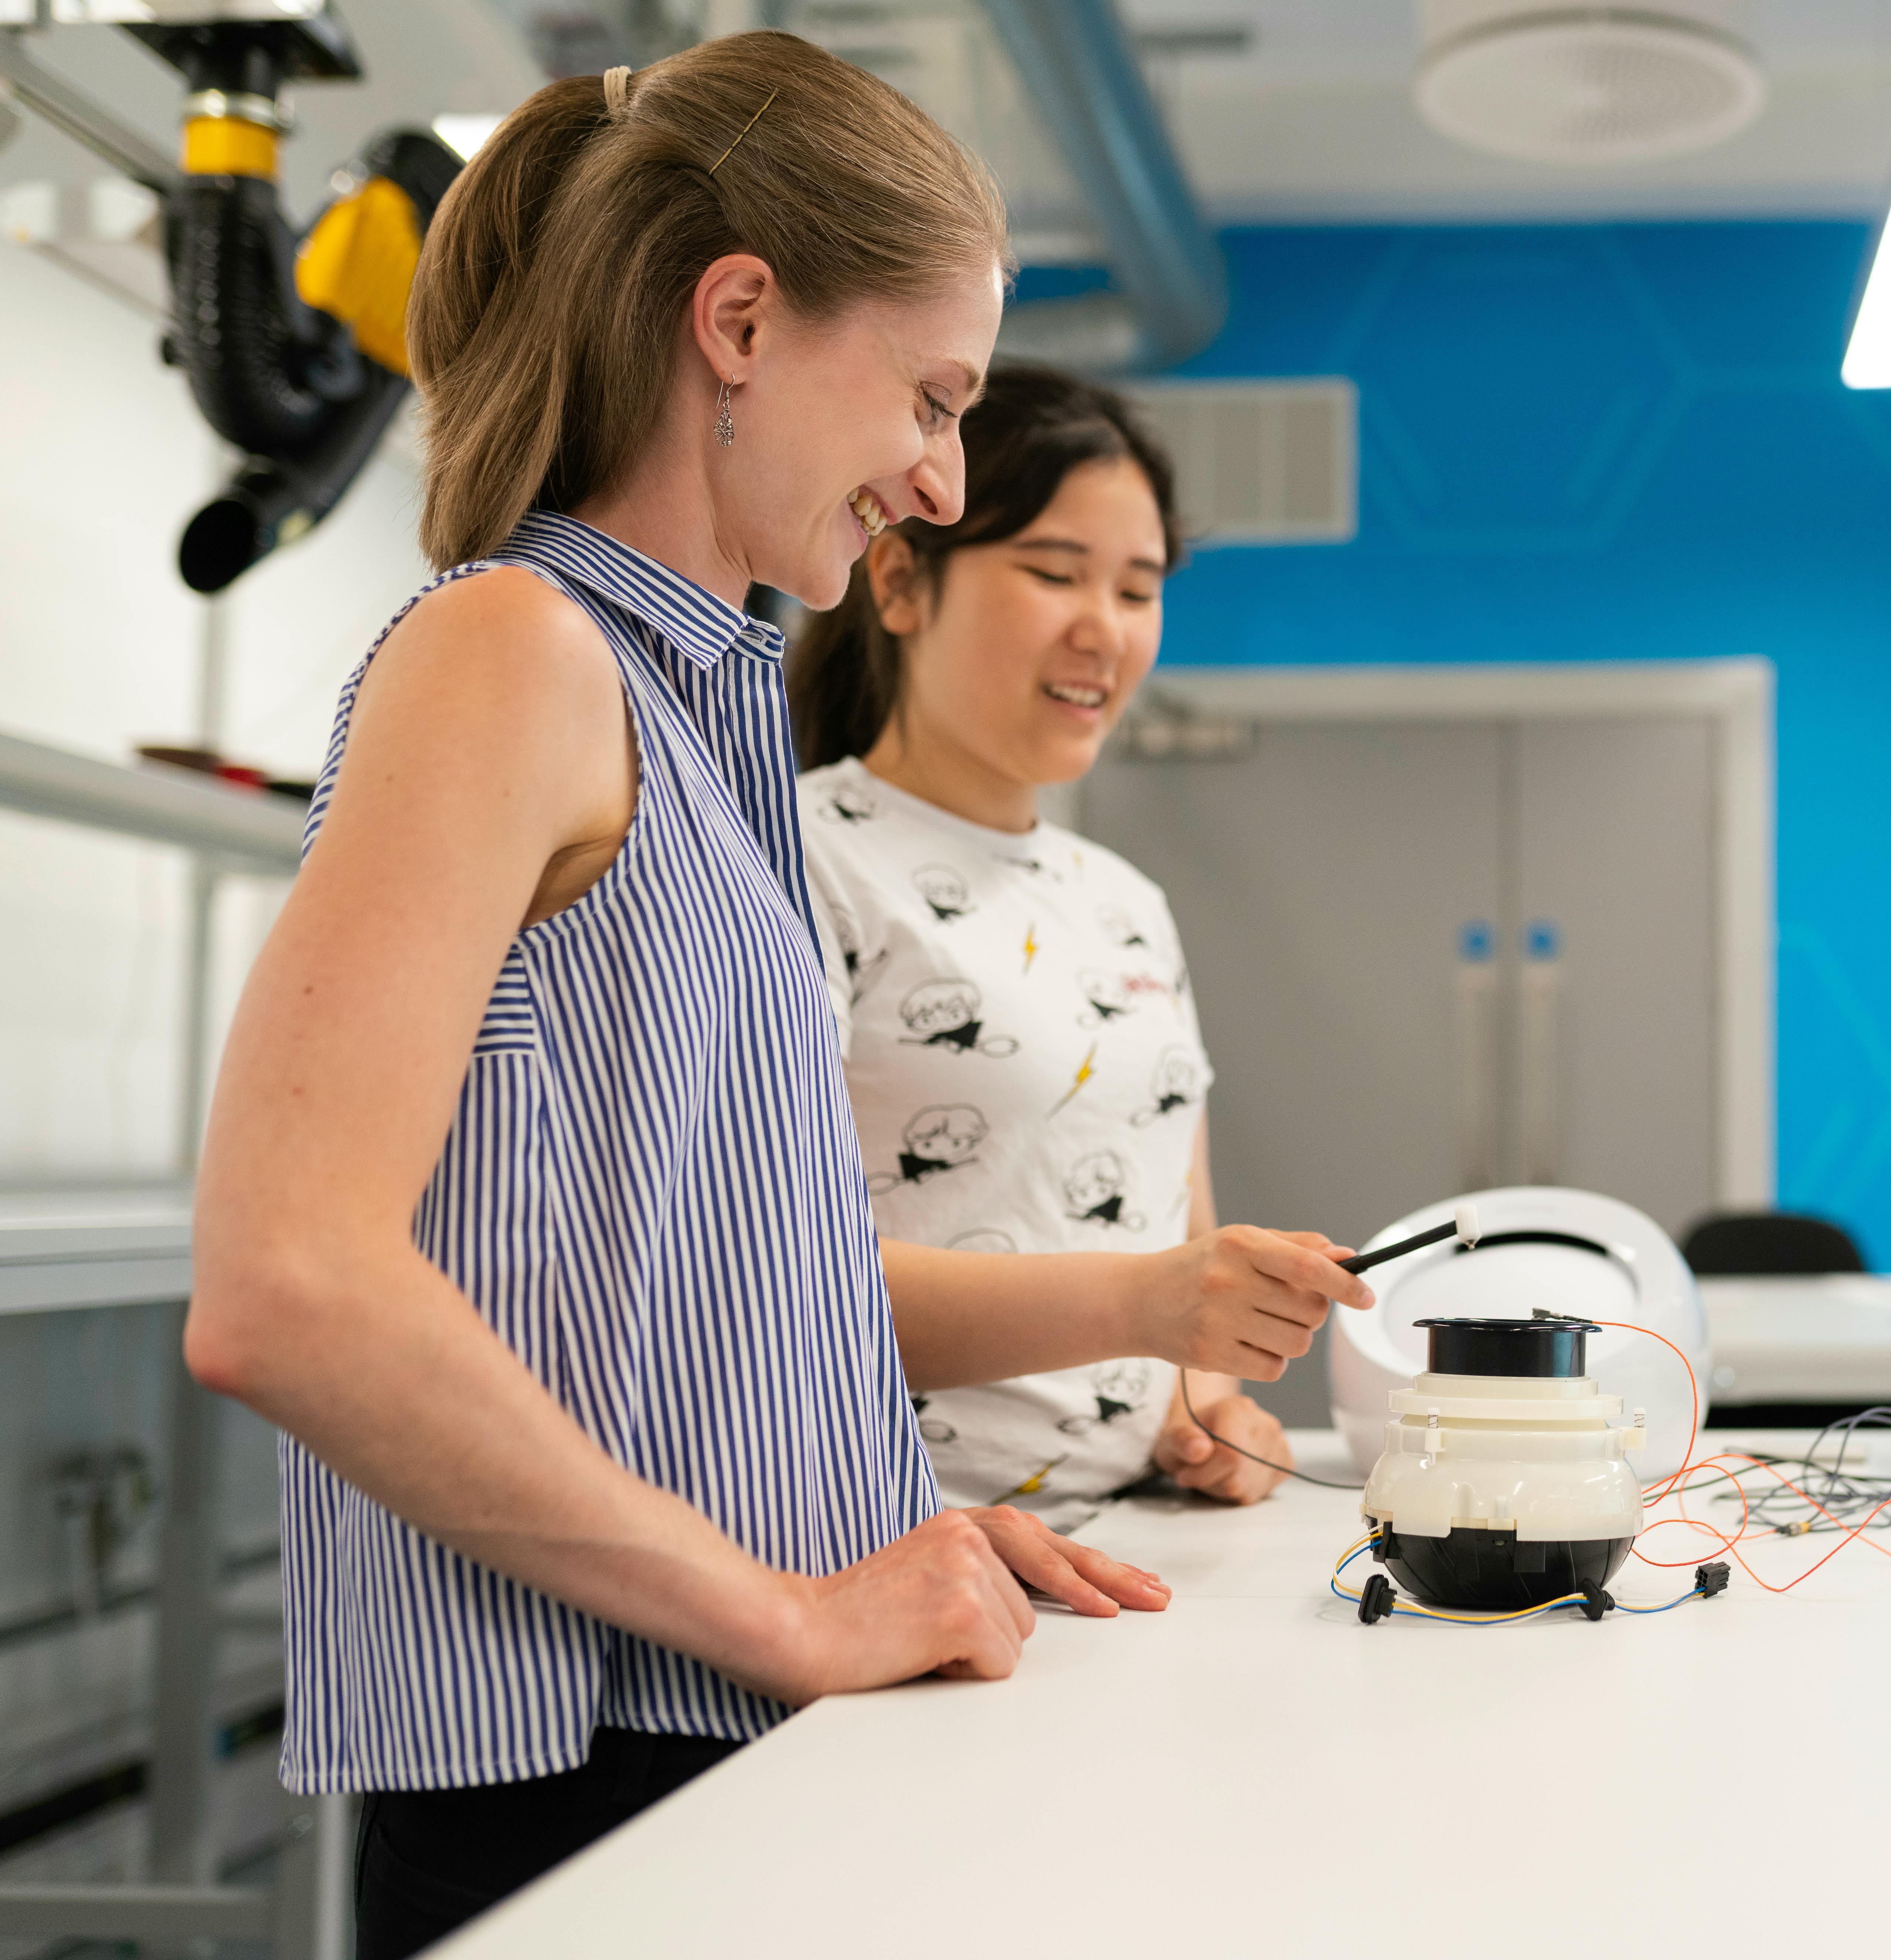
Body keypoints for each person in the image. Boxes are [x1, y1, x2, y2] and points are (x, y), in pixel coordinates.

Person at [180, 37, 1369, 1957]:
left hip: (712, 1713)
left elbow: (709, 1286)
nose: (941, 474)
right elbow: (288, 1287)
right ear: (738, 319)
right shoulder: (516, 651)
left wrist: (871, 1525)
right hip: (580, 1761)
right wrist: (797, 1607)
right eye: (929, 393)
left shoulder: (698, 706)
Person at [789, 366, 1291, 1528]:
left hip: (1129, 1545)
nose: (1102, 628)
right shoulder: (804, 857)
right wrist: (1144, 1304)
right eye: (1055, 573)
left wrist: (1213, 1411)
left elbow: (1181, 1233)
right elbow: (777, 1276)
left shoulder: (1127, 902)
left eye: (1138, 588)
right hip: (902, 1549)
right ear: (904, 580)